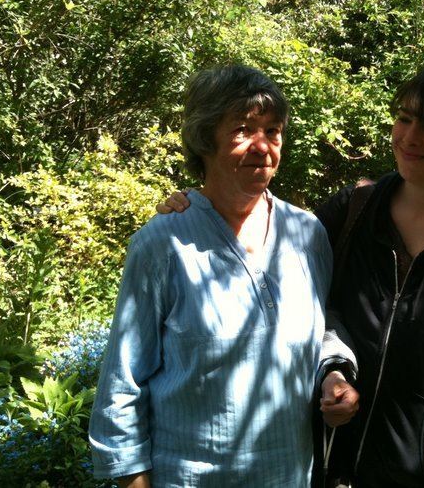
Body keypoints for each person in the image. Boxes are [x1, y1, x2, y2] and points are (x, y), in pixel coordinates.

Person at [158, 61, 424, 487]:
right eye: (403, 119)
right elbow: (271, 267)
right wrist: (201, 207)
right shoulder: (354, 211)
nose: (408, 137)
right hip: (330, 465)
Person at [89, 65, 354, 488]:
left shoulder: (306, 233)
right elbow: (123, 384)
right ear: (204, 137)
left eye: (273, 130)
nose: (263, 146)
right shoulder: (164, 243)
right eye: (243, 130)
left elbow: (320, 329)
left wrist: (335, 376)